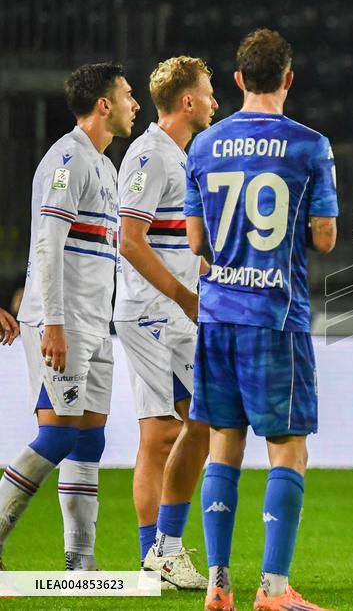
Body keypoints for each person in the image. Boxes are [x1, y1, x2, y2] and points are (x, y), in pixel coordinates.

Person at [184, 29, 338, 611]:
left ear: (239, 79)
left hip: (217, 313)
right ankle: (273, 590)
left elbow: (196, 239)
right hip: (275, 314)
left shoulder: (203, 146)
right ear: (289, 79)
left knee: (224, 442)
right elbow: (323, 237)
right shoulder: (309, 145)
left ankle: (216, 584)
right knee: (287, 447)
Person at [0, 63, 138, 571]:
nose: (134, 104)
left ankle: (80, 561)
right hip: (61, 323)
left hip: (93, 324)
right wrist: (53, 322)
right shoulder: (67, 159)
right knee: (58, 435)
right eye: (127, 96)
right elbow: (49, 244)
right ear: (103, 104)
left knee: (89, 439)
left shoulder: (104, 165)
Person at [115, 56, 217, 589]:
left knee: (188, 428)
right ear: (186, 102)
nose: (214, 102)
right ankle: (158, 554)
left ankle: (159, 551)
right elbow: (128, 240)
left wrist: (208, 278)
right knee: (163, 434)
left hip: (175, 312)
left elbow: (171, 242)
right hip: (153, 314)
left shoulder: (180, 156)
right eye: (208, 93)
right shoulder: (149, 155)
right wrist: (184, 296)